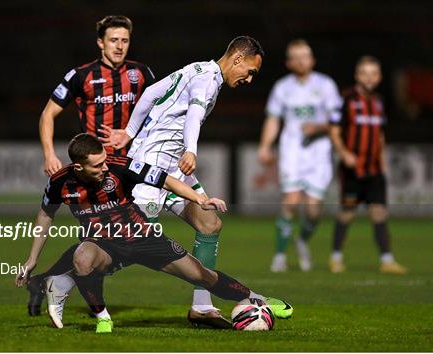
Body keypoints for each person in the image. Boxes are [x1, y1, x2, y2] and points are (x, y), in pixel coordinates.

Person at [15, 133, 293, 332]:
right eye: (97, 165)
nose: (104, 167)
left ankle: (256, 298)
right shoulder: (60, 183)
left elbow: (167, 180)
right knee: (83, 256)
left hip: (143, 236)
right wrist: (32, 259)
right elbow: (45, 215)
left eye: (104, 161)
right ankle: (103, 319)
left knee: (201, 275)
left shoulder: (120, 166)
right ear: (78, 167)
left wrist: (199, 200)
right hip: (104, 245)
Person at [98, 36, 264, 326]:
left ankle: (202, 306)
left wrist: (129, 131)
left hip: (172, 167)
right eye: (250, 71)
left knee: (209, 222)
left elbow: (150, 92)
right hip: (152, 165)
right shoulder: (208, 81)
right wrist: (191, 149)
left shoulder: (197, 69)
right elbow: (194, 116)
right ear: (237, 59)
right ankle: (67, 278)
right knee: (130, 242)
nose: (249, 79)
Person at [26, 15, 155, 329]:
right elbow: (48, 114)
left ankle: (50, 280)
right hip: (93, 175)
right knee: (111, 242)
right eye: (113, 40)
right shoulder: (80, 76)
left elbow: (160, 110)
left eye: (124, 40)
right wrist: (48, 153)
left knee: (125, 239)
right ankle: (66, 288)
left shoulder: (141, 74)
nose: (119, 46)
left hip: (127, 171)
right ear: (100, 42)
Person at [258, 39, 342, 272]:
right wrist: (265, 146)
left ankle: (302, 240)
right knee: (291, 201)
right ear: (288, 62)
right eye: (295, 56)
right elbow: (273, 118)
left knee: (314, 210)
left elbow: (337, 119)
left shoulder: (326, 85)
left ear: (312, 59)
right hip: (292, 150)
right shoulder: (282, 87)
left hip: (319, 152)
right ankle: (280, 255)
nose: (301, 60)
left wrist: (318, 127)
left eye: (305, 55)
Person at [328, 56, 408, 274]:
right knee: (347, 214)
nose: (369, 77)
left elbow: (380, 134)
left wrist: (382, 160)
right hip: (353, 170)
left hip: (374, 169)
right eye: (365, 72)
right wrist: (344, 154)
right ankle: (335, 257)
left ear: (379, 77)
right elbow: (334, 131)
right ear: (357, 75)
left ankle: (387, 260)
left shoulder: (379, 102)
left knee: (380, 213)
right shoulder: (345, 100)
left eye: (374, 73)